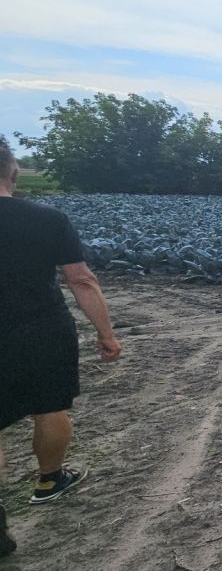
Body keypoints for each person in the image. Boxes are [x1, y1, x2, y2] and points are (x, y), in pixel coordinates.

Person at [0, 144, 121, 558]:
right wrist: (106, 334)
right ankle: (49, 479)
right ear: (12, 173)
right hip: (38, 329)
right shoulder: (47, 220)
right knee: (48, 406)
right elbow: (81, 280)